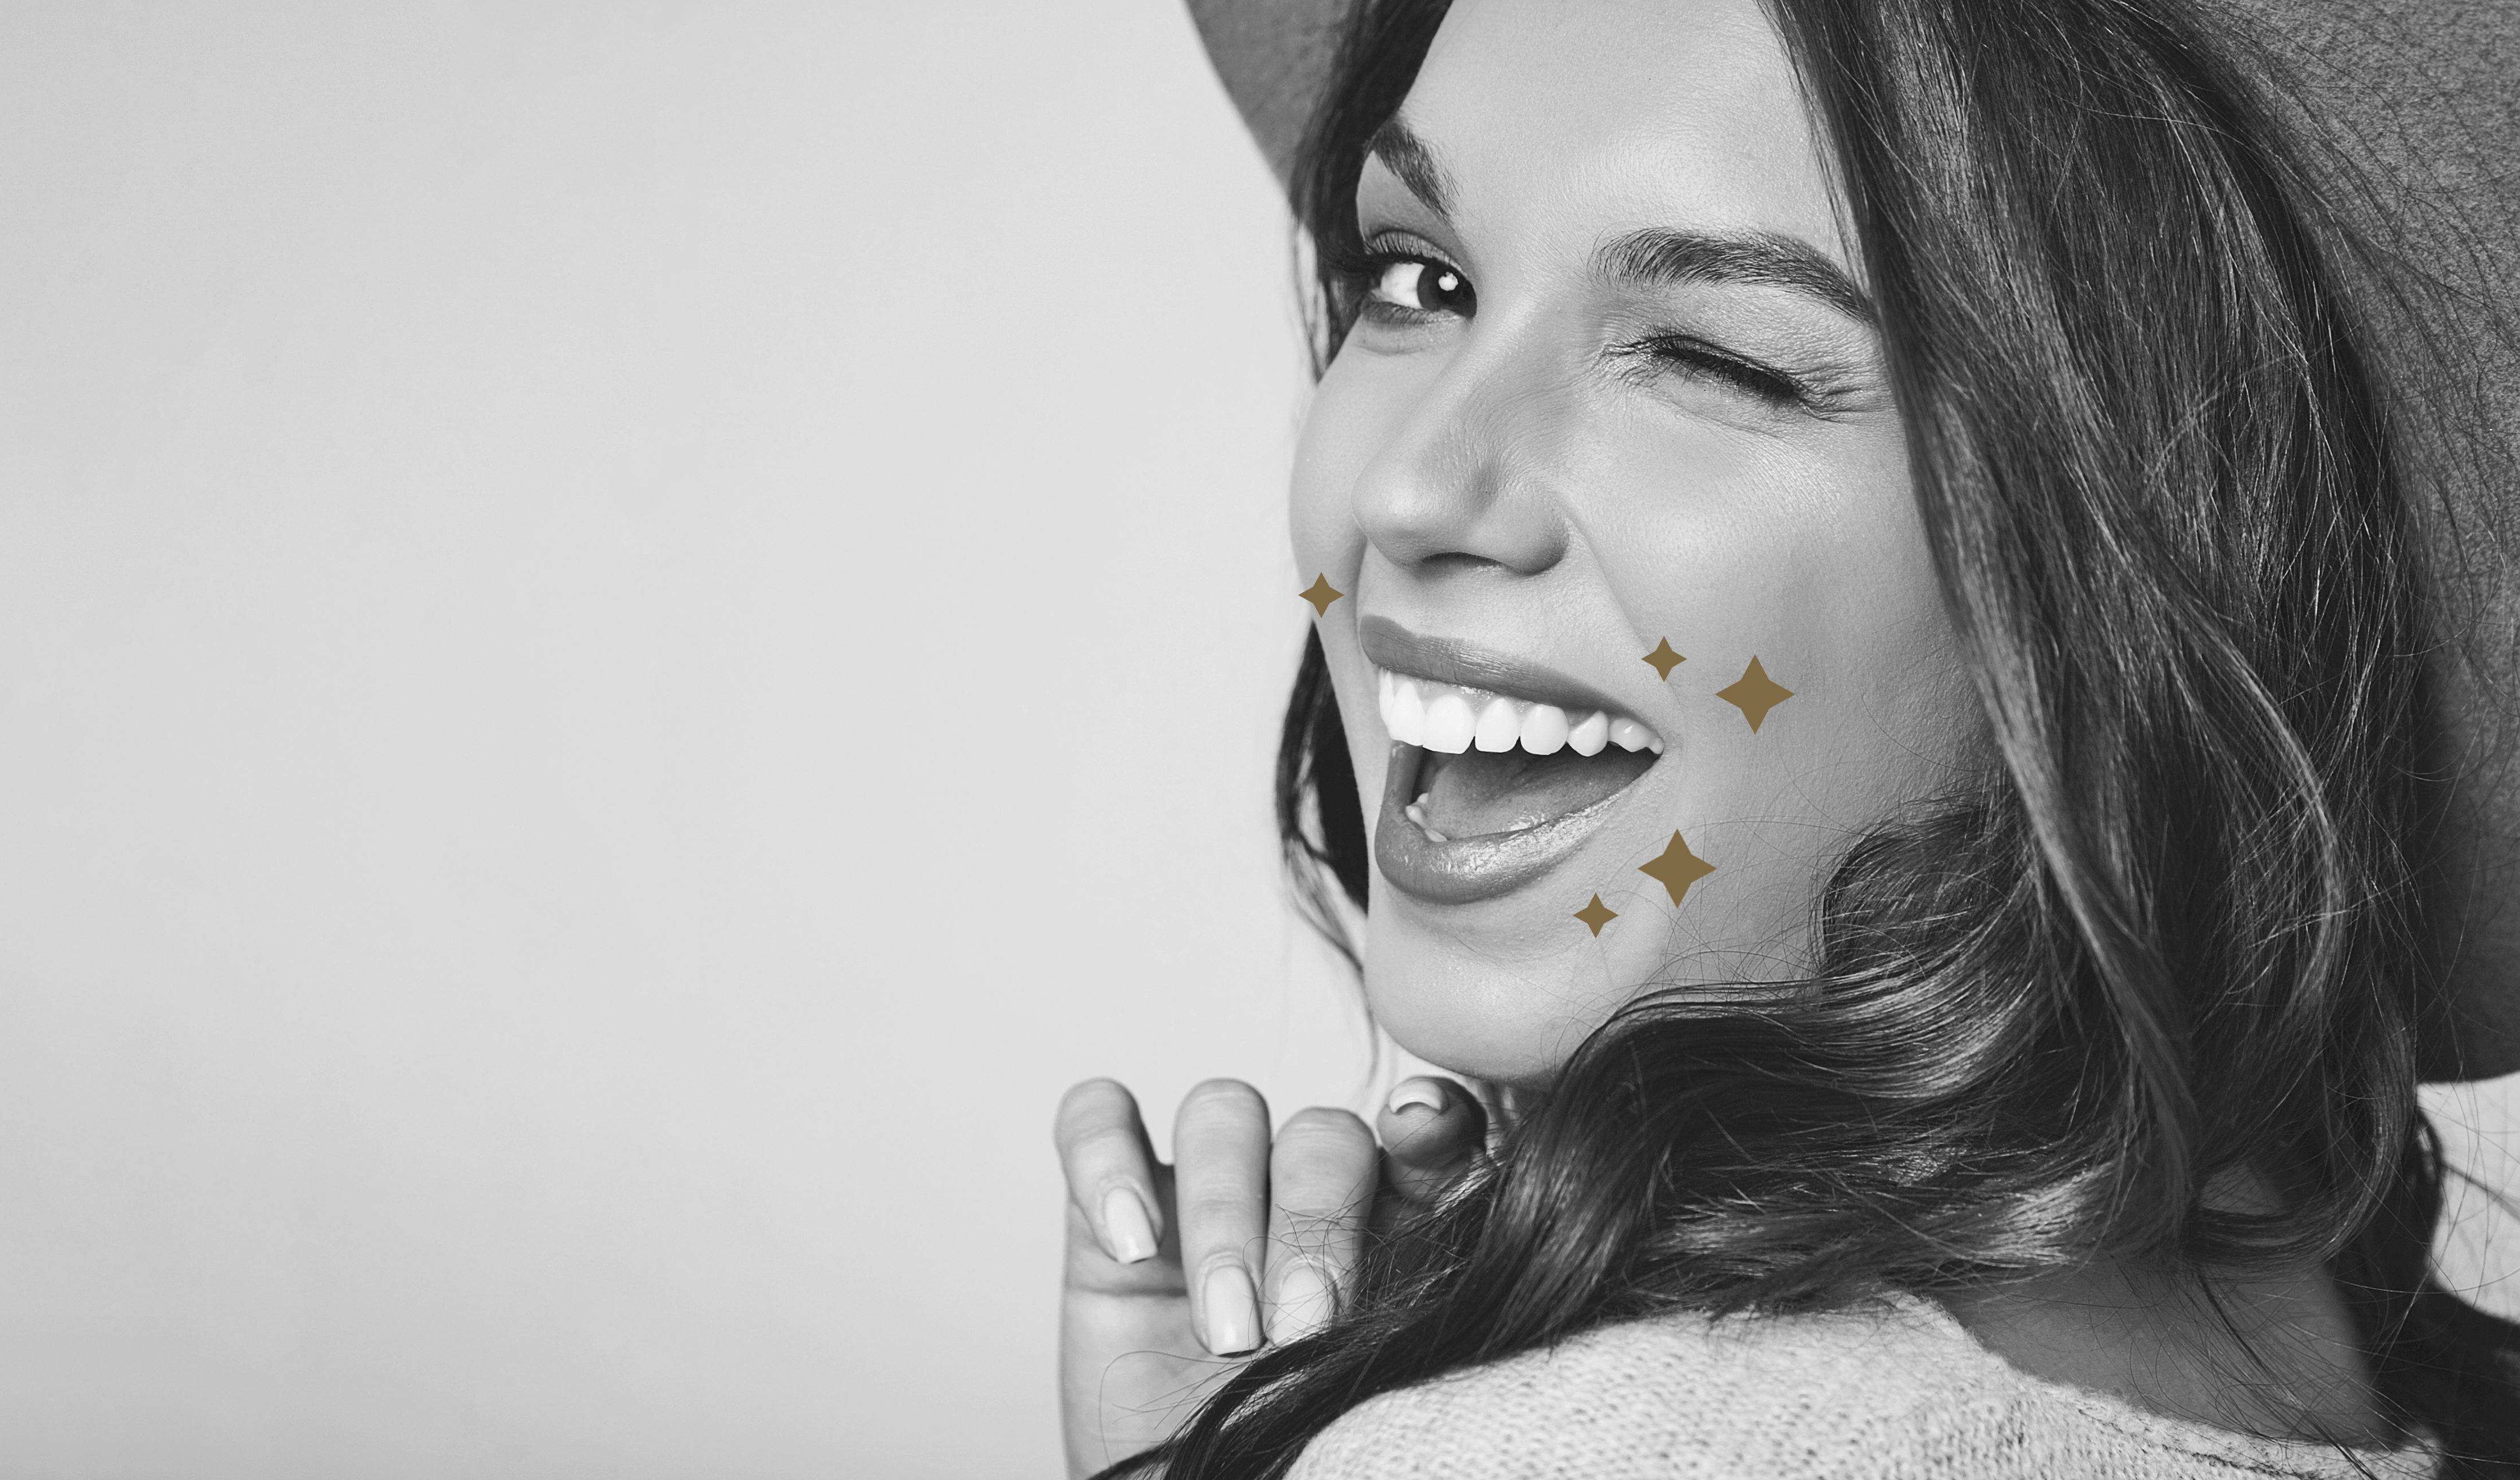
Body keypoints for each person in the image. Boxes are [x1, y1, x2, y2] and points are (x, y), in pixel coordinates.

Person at [1056, 0, 2520, 1474]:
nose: (1413, 491)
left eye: (1715, 357)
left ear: (2158, 549)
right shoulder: (2365, 1396)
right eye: (1421, 276)